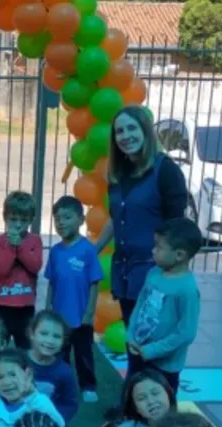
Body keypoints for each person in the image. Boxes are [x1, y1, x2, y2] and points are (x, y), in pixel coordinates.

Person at [94, 106, 188, 328]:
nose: (126, 136)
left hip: (155, 274)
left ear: (145, 130)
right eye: (119, 131)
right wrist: (94, 249)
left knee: (152, 339)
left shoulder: (166, 171)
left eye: (131, 128)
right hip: (125, 273)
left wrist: (173, 276)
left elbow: (178, 229)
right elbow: (116, 218)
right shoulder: (118, 173)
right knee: (133, 336)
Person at [124, 218, 203, 393]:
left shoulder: (187, 290)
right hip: (138, 351)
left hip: (164, 366)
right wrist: (131, 336)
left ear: (179, 255)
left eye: (158, 247)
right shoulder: (153, 273)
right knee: (134, 392)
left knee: (160, 401)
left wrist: (152, 350)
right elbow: (140, 305)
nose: (153, 251)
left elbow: (186, 333)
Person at [45, 195, 103, 402]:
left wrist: (89, 312)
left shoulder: (88, 250)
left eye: (67, 217)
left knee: (83, 354)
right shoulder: (55, 252)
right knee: (59, 354)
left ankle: (88, 386)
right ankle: (61, 386)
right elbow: (51, 282)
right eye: (57, 219)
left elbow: (94, 283)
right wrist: (47, 309)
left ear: (81, 219)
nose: (61, 223)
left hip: (80, 317)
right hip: (59, 317)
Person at [0, 191, 42, 349]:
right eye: (13, 220)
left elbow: (35, 267)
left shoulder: (35, 241)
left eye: (24, 220)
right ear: (5, 218)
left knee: (25, 346)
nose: (18, 225)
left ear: (31, 220)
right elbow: (3, 269)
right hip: (2, 304)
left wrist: (20, 247)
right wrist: (11, 246)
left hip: (25, 305)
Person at [25, 310, 80, 422]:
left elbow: (69, 404)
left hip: (46, 423)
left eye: (56, 336)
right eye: (44, 334)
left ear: (63, 340)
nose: (50, 341)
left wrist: (53, 420)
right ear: (32, 334)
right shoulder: (17, 361)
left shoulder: (65, 372)